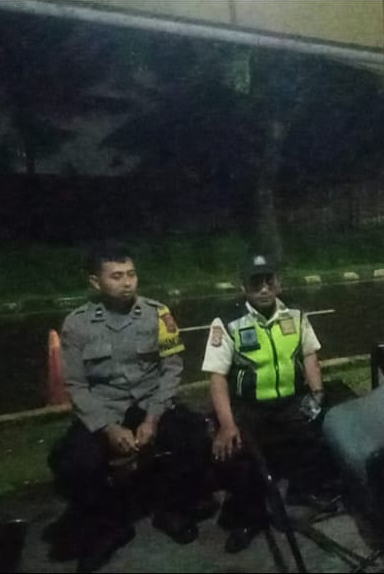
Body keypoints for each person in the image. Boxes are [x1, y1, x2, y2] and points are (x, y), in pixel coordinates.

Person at [47, 242, 213, 572]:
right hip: (105, 409)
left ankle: (172, 509)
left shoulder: (158, 314)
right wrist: (108, 427)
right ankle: (110, 527)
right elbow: (76, 386)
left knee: (194, 436)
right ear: (95, 282)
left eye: (131, 274)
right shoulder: (77, 324)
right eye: (117, 276)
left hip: (150, 401)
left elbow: (172, 369)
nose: (127, 283)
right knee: (72, 462)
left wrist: (153, 418)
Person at [203, 254, 339, 553]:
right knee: (239, 453)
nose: (264, 288)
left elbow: (309, 355)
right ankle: (248, 518)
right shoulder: (228, 321)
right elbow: (217, 377)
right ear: (243, 286)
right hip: (248, 405)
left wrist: (317, 394)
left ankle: (302, 493)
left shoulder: (295, 313)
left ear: (278, 283)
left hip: (291, 399)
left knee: (321, 430)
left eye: (269, 281)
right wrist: (227, 424)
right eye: (256, 282)